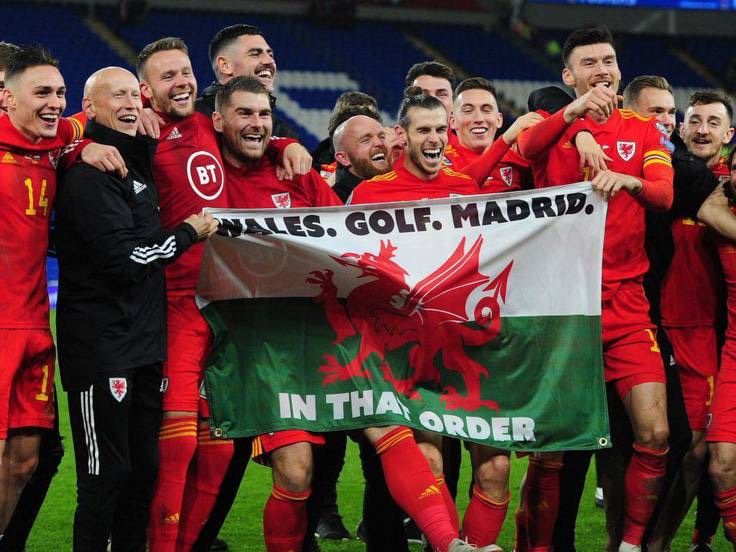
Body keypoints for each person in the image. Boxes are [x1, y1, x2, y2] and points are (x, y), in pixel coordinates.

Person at [214, 76, 489, 552]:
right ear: (340, 155)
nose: (381, 144)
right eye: (367, 139)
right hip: (283, 352)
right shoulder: (334, 189)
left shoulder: (333, 190)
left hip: (361, 347)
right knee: (300, 473)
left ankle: (446, 543)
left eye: (381, 135)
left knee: (394, 436)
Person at [516, 26, 674, 552]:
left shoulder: (644, 130)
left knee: (655, 436)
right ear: (569, 76)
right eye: (589, 63)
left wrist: (629, 182)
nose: (602, 69)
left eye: (608, 60)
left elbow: (663, 195)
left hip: (628, 307)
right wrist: (576, 119)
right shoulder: (550, 126)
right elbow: (529, 142)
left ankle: (629, 546)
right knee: (553, 451)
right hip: (564, 308)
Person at [55, 66, 217, 552]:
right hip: (102, 349)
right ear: (91, 109)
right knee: (105, 475)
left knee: (143, 472)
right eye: (116, 96)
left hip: (144, 346)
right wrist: (190, 232)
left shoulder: (132, 163)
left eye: (133, 94)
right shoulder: (89, 174)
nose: (128, 103)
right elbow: (128, 260)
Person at [648, 91, 733, 551]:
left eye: (713, 122)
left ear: (728, 133)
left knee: (699, 448)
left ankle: (673, 539)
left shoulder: (730, 189)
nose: (702, 129)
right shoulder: (664, 177)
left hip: (709, 336)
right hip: (654, 329)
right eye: (694, 120)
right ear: (681, 129)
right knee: (654, 444)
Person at [195, 23, 298, 139]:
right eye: (255, 54)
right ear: (225, 66)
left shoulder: (283, 134)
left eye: (270, 55)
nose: (269, 61)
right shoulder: (192, 119)